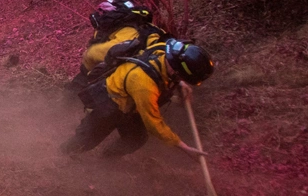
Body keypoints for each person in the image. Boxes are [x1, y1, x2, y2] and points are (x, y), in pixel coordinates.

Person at [61, 37, 215, 159]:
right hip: (108, 104)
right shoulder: (144, 84)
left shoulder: (163, 50)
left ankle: (106, 159)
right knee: (84, 142)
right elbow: (153, 123)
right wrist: (184, 147)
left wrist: (180, 83)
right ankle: (59, 158)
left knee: (136, 138)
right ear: (176, 71)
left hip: (130, 106)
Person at [71, 0, 167, 91]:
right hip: (147, 70)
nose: (102, 14)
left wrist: (87, 65)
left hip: (135, 77)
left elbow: (98, 52)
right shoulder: (141, 26)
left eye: (105, 10)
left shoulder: (128, 29)